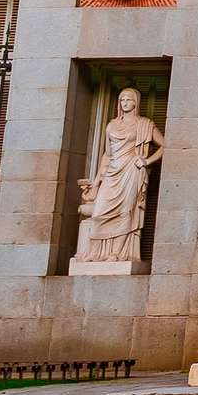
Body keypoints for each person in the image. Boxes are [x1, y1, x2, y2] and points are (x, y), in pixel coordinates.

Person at [77, 88, 164, 264]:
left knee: (126, 212)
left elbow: (165, 145)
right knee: (99, 212)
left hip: (132, 171)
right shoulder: (111, 125)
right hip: (112, 171)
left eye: (128, 99)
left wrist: (146, 161)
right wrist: (96, 182)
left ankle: (116, 253)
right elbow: (107, 155)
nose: (125, 103)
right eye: (122, 99)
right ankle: (95, 253)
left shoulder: (145, 124)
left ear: (136, 102)